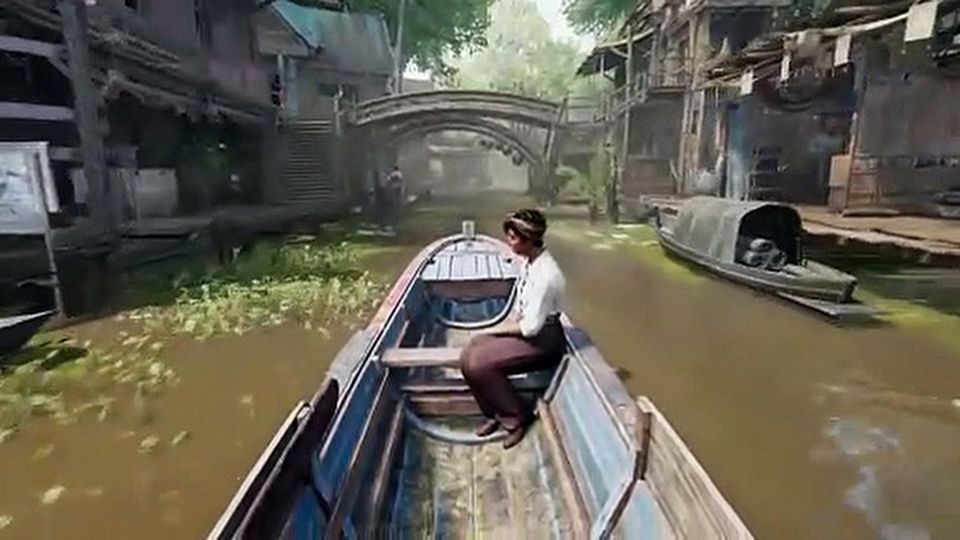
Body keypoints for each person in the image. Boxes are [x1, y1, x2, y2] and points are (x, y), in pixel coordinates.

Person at [460, 209, 566, 449]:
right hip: (531, 333)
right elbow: (520, 307)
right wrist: (491, 334)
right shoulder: (530, 262)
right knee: (468, 354)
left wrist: (493, 332)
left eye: (513, 238)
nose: (508, 241)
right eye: (508, 236)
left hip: (544, 341)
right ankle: (494, 414)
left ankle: (517, 418)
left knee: (479, 362)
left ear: (530, 240)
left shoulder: (547, 275)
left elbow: (530, 329)